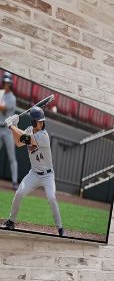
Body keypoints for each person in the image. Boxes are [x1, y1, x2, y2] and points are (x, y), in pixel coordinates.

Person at [2, 106, 63, 236]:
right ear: (33, 122)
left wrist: (11, 126)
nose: (41, 123)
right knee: (19, 193)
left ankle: (60, 228)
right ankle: (11, 221)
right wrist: (15, 125)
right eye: (38, 121)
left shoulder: (43, 135)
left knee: (52, 198)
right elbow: (19, 142)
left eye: (42, 121)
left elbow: (27, 139)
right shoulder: (29, 130)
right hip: (34, 173)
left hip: (47, 175)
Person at [0, 74, 17, 185]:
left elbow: (2, 108)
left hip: (8, 129)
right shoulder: (0, 93)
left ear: (11, 84)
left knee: (12, 157)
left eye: (8, 83)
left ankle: (14, 181)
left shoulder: (12, 98)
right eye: (5, 83)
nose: (7, 85)